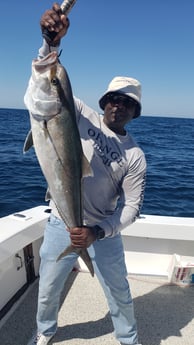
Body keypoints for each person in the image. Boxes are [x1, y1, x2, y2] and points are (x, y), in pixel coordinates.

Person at [27, 3, 146, 345]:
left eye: (126, 102)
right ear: (103, 100)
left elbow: (132, 208)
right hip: (60, 222)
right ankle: (44, 333)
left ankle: (129, 339)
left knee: (120, 293)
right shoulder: (79, 113)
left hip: (102, 230)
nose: (117, 105)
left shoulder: (135, 156)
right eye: (112, 98)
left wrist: (97, 231)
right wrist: (50, 42)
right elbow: (52, 87)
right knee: (47, 288)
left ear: (134, 112)